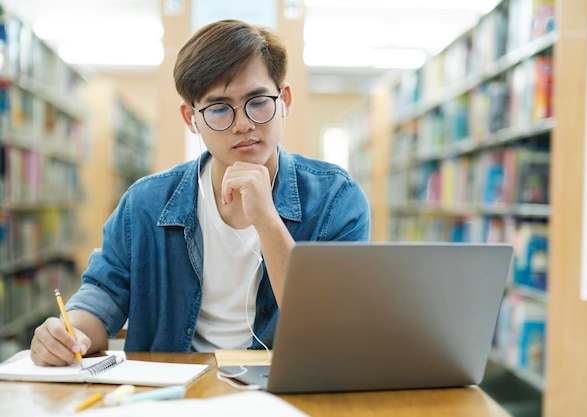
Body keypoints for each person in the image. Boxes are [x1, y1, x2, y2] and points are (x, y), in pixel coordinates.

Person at [30, 19, 371, 366]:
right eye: (220, 109)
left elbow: (329, 327)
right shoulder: (145, 203)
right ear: (190, 118)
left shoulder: (336, 199)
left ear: (284, 100)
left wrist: (268, 221)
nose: (243, 124)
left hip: (284, 390)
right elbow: (103, 295)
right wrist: (70, 335)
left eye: (257, 101)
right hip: (174, 391)